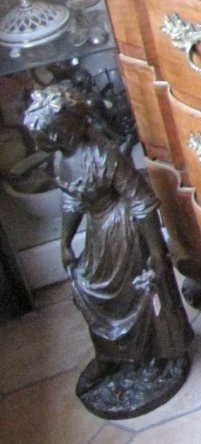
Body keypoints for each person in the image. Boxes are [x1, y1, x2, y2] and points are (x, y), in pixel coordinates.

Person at [24, 82, 192, 419]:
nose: (47, 145)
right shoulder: (62, 161)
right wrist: (65, 241)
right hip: (101, 230)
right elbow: (73, 199)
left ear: (65, 130)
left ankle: (151, 357)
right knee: (92, 290)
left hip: (124, 227)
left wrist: (156, 253)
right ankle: (115, 356)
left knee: (136, 294)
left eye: (50, 137)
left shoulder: (104, 154)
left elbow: (141, 202)